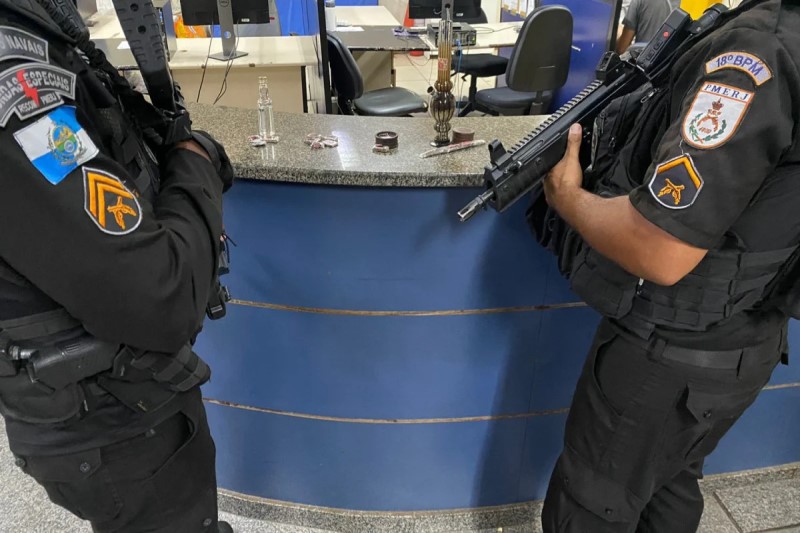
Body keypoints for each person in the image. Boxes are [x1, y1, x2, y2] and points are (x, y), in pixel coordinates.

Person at [537, 0, 800, 531]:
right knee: (671, 481)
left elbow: (661, 248)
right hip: (747, 339)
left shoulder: (758, 50)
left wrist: (567, 197)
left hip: (670, 351)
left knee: (590, 503)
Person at [0, 0, 235, 531]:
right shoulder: (15, 80)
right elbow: (160, 295)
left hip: (119, 404)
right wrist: (196, 163)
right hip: (113, 421)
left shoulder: (39, 30)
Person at [616, 0, 680, 53]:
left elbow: (621, 49)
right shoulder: (681, 4)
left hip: (641, 60)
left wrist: (617, 33)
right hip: (668, 61)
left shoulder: (639, 1)